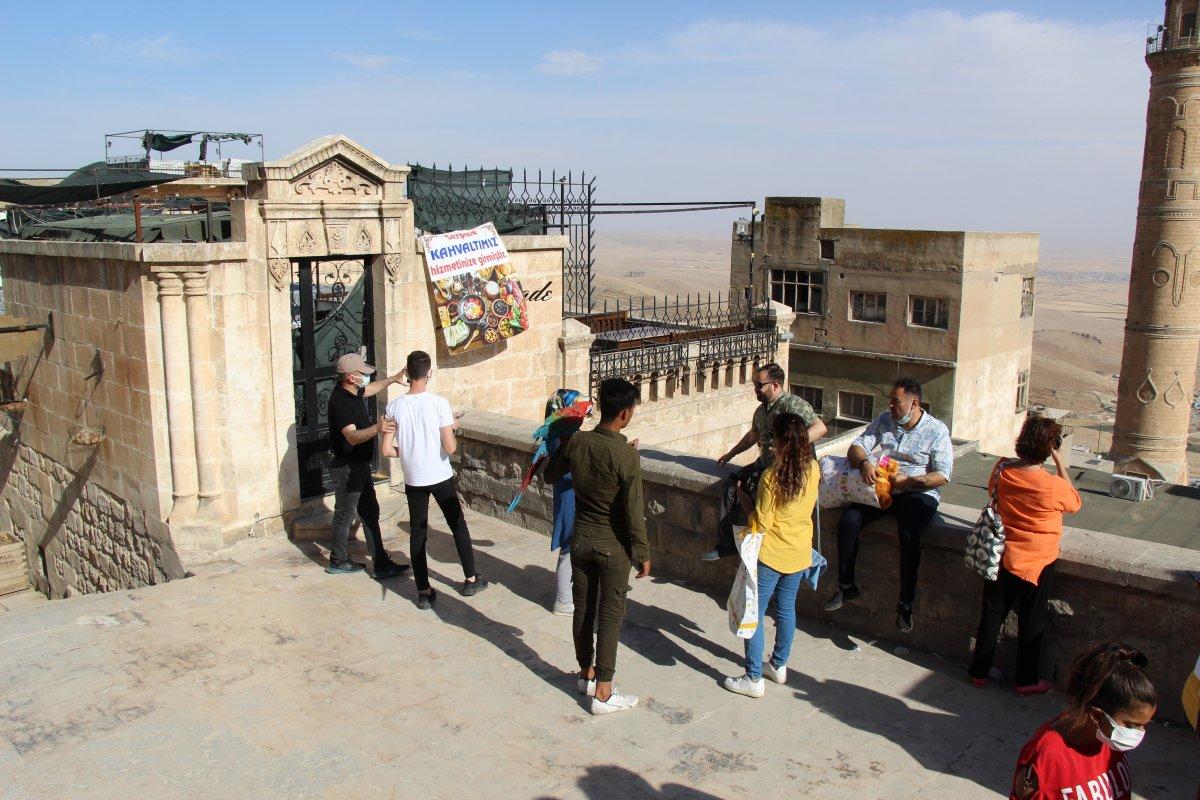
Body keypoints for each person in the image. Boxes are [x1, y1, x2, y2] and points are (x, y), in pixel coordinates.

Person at [544, 378, 649, 715]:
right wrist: (642, 552)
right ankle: (603, 691)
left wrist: (563, 438)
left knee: (584, 608)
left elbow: (549, 474)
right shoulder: (626, 455)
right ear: (625, 413)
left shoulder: (578, 442)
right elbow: (633, 510)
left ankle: (585, 673)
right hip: (612, 547)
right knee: (609, 615)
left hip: (580, 540)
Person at [824, 377, 953, 633]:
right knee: (849, 520)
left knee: (909, 534)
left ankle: (906, 602)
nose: (891, 406)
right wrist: (864, 464)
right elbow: (857, 447)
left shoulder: (936, 430)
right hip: (883, 488)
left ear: (913, 403)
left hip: (916, 491)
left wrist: (911, 481)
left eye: (896, 402)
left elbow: (943, 475)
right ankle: (846, 585)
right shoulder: (885, 420)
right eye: (890, 401)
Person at [969, 416, 1081, 694]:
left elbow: (991, 492)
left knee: (992, 613)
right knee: (1032, 619)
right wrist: (1059, 461)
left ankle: (979, 672)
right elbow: (1074, 503)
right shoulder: (1051, 485)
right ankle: (1026, 680)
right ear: (1050, 446)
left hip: (1002, 553)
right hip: (1037, 559)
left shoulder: (1002, 469)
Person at [722, 413, 821, 699]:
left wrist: (744, 499)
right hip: (799, 551)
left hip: (771, 554)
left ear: (779, 441)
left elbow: (761, 523)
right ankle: (778, 664)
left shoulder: (771, 478)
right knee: (786, 610)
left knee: (753, 612)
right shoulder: (813, 469)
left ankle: (753, 677)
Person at [380, 351, 486, 609]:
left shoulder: (394, 407)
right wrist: (451, 428)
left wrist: (410, 451)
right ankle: (471, 579)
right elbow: (450, 448)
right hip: (439, 475)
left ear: (407, 372)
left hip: (414, 478)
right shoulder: (439, 404)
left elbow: (386, 450)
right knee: (457, 525)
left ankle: (423, 591)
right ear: (429, 373)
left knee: (418, 533)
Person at [702, 363, 826, 561]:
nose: (756, 389)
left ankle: (759, 546)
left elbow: (820, 428)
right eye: (755, 384)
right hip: (766, 465)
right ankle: (727, 545)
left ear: (775, 385)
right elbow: (754, 435)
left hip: (790, 469)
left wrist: (790, 447)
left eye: (759, 385)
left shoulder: (792, 405)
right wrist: (732, 453)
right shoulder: (761, 411)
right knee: (732, 485)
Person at [1009, 643, 1157, 800]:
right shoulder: (1047, 758)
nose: (1139, 733)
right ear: (1097, 715)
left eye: (1144, 724)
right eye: (1131, 725)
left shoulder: (1109, 741)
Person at [324, 352, 411, 578]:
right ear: (350, 377)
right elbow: (352, 437)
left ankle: (381, 563)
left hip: (360, 467)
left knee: (370, 512)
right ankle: (337, 561)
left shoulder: (354, 391)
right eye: (361, 373)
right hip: (348, 469)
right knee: (344, 515)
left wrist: (393, 379)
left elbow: (370, 389)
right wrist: (378, 428)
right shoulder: (341, 402)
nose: (365, 377)